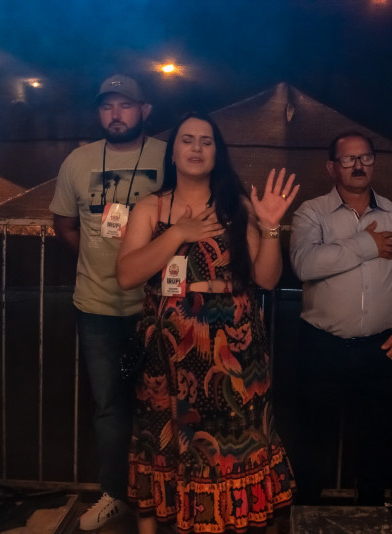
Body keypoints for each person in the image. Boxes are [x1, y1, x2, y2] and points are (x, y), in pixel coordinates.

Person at [116, 112, 297, 533]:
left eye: (206, 141)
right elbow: (126, 275)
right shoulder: (151, 207)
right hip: (168, 353)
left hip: (234, 349)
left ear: (217, 153)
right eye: (187, 140)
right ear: (173, 153)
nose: (196, 148)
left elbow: (267, 279)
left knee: (232, 446)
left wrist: (271, 228)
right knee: (163, 441)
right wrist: (179, 232)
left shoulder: (237, 207)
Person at [49, 74, 166, 530]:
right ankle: (114, 494)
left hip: (158, 309)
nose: (116, 114)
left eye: (125, 105)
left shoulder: (167, 157)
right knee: (109, 409)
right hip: (96, 306)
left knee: (165, 408)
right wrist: (100, 260)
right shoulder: (78, 161)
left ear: (145, 109)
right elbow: (63, 223)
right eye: (107, 106)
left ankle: (166, 497)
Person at [288, 131, 392, 506]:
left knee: (375, 444)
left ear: (374, 162)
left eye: (365, 157)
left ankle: (371, 520)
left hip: (380, 347)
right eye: (348, 159)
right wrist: (367, 244)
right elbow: (305, 264)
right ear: (332, 167)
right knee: (313, 440)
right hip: (322, 346)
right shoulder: (312, 212)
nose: (358, 165)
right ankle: (307, 519)